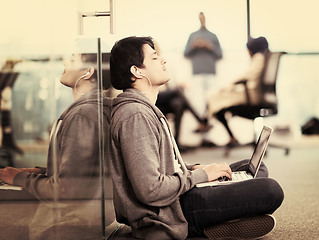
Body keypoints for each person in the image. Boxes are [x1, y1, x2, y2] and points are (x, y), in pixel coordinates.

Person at [109, 36, 284, 239]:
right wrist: (201, 177)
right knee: (270, 190)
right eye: (155, 58)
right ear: (137, 71)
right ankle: (200, 227)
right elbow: (150, 190)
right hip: (169, 211)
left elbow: (164, 166)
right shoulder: (135, 115)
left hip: (176, 195)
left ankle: (221, 218)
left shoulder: (144, 109)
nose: (163, 60)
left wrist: (194, 169)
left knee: (252, 168)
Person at [0, 51, 114, 239]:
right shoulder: (92, 110)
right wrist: (44, 171)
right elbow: (86, 171)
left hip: (72, 225)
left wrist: (20, 178)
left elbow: (67, 190)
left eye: (73, 59)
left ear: (88, 72)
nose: (65, 62)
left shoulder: (83, 114)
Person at [207, 36, 269, 148]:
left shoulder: (258, 57)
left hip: (251, 96)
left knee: (215, 99)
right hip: (251, 93)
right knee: (218, 98)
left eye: (248, 50)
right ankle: (207, 121)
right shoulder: (264, 57)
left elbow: (249, 75)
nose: (248, 53)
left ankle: (206, 121)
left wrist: (231, 84)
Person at [184, 12, 222, 141]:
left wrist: (209, 46)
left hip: (210, 72)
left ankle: (208, 136)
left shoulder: (213, 36)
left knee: (210, 103)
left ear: (205, 18)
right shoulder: (192, 36)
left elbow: (219, 54)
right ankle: (203, 137)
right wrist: (194, 46)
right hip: (197, 73)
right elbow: (186, 53)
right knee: (199, 103)